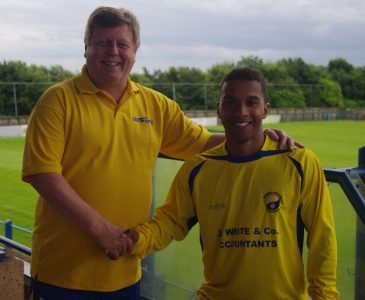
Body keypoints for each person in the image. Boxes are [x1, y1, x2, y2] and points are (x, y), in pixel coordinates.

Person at [22, 6, 298, 300]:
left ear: (135, 51)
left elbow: (203, 142)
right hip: (63, 275)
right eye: (103, 42)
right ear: (86, 47)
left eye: (122, 44)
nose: (113, 51)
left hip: (125, 270)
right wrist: (100, 229)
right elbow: (43, 174)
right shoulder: (58, 101)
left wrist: (261, 137)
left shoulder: (155, 105)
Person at [127, 67, 339, 299]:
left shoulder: (299, 161)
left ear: (265, 109)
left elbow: (322, 237)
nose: (241, 111)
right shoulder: (197, 169)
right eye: (230, 102)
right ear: (219, 109)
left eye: (251, 102)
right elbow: (170, 223)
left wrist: (325, 296)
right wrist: (136, 240)